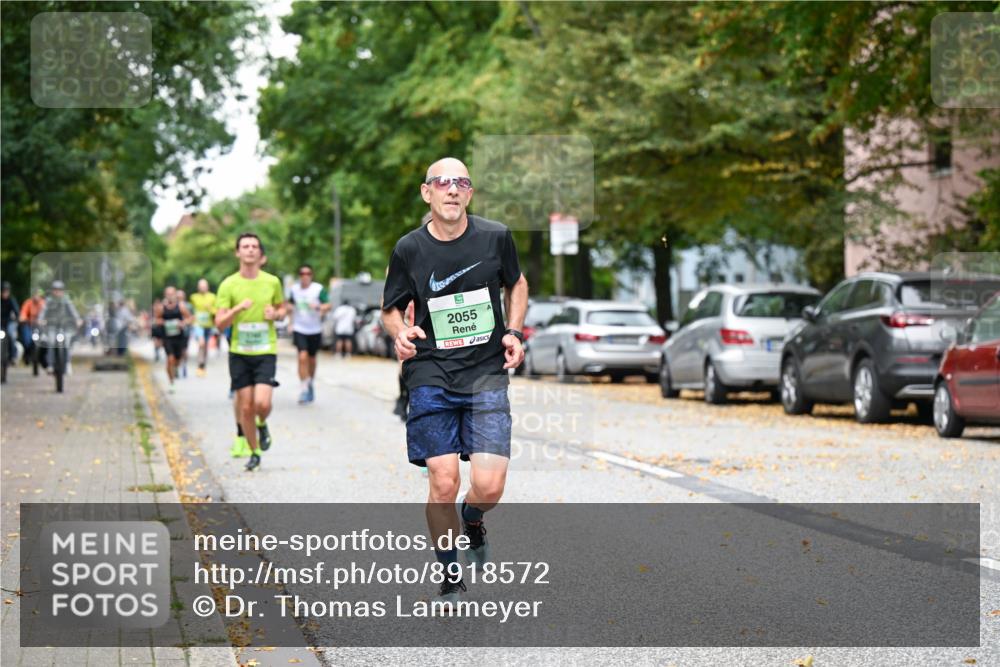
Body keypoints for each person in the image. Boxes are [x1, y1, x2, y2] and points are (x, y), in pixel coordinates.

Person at [381, 157, 528, 607]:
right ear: (427, 193)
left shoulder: (495, 237)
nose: (452, 189)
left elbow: (517, 285)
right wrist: (400, 333)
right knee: (442, 481)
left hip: (485, 374)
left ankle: (473, 518)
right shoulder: (409, 249)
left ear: (469, 193)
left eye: (461, 183)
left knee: (489, 487)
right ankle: (449, 571)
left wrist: (514, 331)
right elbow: (389, 309)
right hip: (431, 373)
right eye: (443, 183)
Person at [214, 233, 286, 472]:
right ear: (238, 253)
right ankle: (254, 452)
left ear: (260, 254)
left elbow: (282, 309)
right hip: (239, 352)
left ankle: (262, 423)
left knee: (262, 403)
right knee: (245, 407)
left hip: (266, 349)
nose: (250, 250)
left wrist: (275, 315)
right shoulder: (228, 284)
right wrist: (236, 309)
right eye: (245, 246)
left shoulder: (272, 281)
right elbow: (219, 324)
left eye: (254, 246)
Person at [286, 264, 331, 403]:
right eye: (302, 273)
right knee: (302, 356)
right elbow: (289, 306)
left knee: (312, 359)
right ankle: (304, 388)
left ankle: (310, 381)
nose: (305, 276)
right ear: (299, 276)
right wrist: (289, 322)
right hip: (300, 328)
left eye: (308, 273)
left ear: (311, 275)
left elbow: (328, 305)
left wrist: (318, 306)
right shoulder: (294, 290)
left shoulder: (318, 289)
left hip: (315, 329)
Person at [38, 280, 82, 373]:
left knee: (66, 343)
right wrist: (41, 319)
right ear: (52, 291)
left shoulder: (66, 300)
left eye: (59, 290)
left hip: (64, 327)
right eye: (55, 290)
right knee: (51, 343)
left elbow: (73, 311)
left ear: (62, 291)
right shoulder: (48, 301)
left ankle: (67, 363)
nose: (57, 292)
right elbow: (43, 311)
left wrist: (77, 319)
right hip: (51, 326)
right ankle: (50, 364)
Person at [154, 286, 192, 392]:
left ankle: (175, 368)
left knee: (177, 360)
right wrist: (161, 322)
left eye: (172, 294)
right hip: (167, 338)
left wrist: (183, 323)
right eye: (168, 294)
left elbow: (190, 318)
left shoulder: (181, 307)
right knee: (170, 359)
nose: (170, 296)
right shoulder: (161, 308)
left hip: (179, 337)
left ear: (175, 295)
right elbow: (156, 319)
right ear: (165, 295)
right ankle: (171, 382)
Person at [189, 279, 217, 376]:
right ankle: (199, 364)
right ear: (198, 287)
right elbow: (191, 311)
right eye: (201, 286)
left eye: (204, 286)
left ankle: (203, 364)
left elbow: (216, 311)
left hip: (208, 325)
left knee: (205, 346)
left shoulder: (212, 297)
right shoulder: (193, 297)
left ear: (207, 287)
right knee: (201, 343)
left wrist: (210, 308)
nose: (202, 288)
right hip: (198, 324)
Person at [19, 289, 45, 366]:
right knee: (26, 340)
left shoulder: (43, 303)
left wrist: (45, 320)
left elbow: (47, 314)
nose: (36, 296)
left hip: (39, 326)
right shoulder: (28, 302)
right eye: (35, 294)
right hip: (29, 325)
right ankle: (26, 354)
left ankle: (43, 358)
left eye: (38, 295)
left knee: (45, 340)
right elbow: (23, 313)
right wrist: (23, 318)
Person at [2, 282, 20, 364]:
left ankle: (13, 356)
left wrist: (17, 318)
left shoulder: (11, 300)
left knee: (11, 335)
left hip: (10, 322)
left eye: (6, 291)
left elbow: (16, 311)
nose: (5, 293)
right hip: (0, 323)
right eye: (3, 291)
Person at [176, 289, 193, 378]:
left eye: (181, 296)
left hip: (185, 332)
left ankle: (184, 366)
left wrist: (185, 323)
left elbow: (192, 317)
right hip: (174, 333)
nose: (179, 297)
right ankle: (177, 367)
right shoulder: (172, 306)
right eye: (177, 296)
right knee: (177, 351)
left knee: (184, 350)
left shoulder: (188, 306)